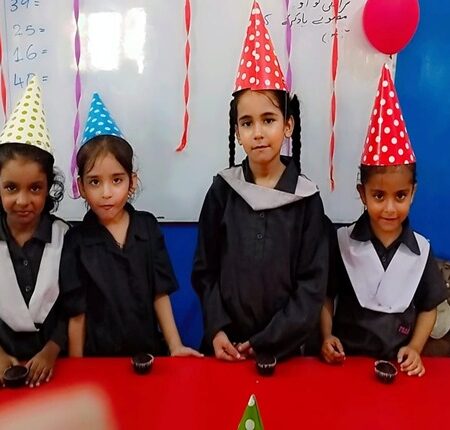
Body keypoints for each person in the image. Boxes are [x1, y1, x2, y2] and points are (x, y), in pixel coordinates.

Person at [192, 1, 329, 362]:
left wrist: (270, 339)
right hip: (225, 348)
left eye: (268, 120)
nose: (257, 132)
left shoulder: (306, 199)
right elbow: (205, 270)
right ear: (237, 132)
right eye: (247, 123)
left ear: (288, 125)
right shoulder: (223, 192)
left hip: (285, 351)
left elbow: (312, 285)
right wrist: (217, 329)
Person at [320, 64, 448, 376]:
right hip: (346, 363)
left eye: (400, 196)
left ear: (413, 193)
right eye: (379, 196)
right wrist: (326, 336)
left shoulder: (421, 251)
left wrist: (415, 348)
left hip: (396, 366)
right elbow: (326, 297)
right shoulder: (342, 243)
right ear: (362, 194)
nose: (390, 208)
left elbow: (429, 307)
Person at [62, 93, 201, 358]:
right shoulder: (76, 241)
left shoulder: (147, 227)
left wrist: (175, 346)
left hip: (148, 356)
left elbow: (160, 293)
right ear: (81, 186)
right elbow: (77, 312)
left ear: (132, 181)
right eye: (95, 182)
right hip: (98, 361)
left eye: (116, 180)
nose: (106, 193)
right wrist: (77, 366)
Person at [0, 77, 69, 387]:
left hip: (54, 365)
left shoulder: (65, 238)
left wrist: (52, 350)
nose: (23, 200)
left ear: (49, 187)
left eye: (35, 188)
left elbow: (72, 308)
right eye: (11, 188)